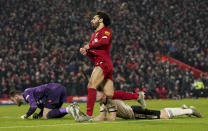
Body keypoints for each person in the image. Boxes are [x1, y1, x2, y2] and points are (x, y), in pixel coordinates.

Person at [72, 90, 202, 122]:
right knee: (162, 113)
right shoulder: (103, 102)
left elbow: (111, 118)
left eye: (98, 93)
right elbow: (102, 116)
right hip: (134, 111)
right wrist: (90, 119)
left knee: (164, 116)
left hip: (136, 114)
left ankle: (189, 110)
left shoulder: (110, 101)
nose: (96, 95)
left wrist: (92, 119)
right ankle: (184, 109)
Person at [79, 11, 114, 116]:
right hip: (99, 62)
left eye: (94, 18)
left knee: (91, 85)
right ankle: (137, 97)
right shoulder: (93, 35)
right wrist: (86, 51)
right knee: (109, 94)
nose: (91, 20)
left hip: (103, 62)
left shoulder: (106, 31)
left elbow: (104, 42)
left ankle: (88, 114)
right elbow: (92, 50)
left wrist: (89, 47)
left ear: (101, 20)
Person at [9, 83, 78, 119]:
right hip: (60, 88)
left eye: (13, 100)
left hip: (52, 90)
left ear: (16, 97)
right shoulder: (31, 97)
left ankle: (69, 109)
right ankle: (72, 109)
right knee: (52, 113)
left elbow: (33, 106)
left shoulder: (26, 93)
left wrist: (26, 115)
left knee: (46, 115)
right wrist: (39, 115)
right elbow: (44, 106)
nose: (13, 103)